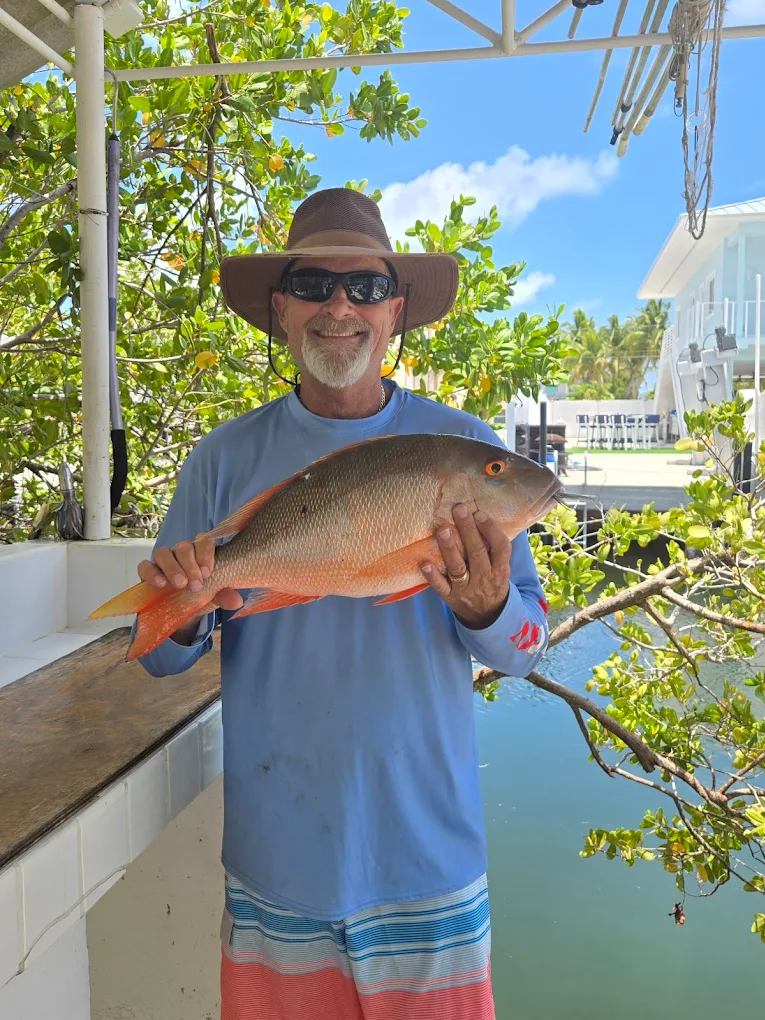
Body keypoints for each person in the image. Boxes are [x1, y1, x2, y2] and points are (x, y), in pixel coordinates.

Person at [135, 188, 549, 1020]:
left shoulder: (465, 449)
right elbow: (160, 652)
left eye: (364, 289)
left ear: (395, 311)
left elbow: (527, 644)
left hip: (428, 866)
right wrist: (187, 600)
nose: (339, 307)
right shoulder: (223, 459)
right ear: (281, 309)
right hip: (276, 867)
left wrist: (487, 605)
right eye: (314, 284)